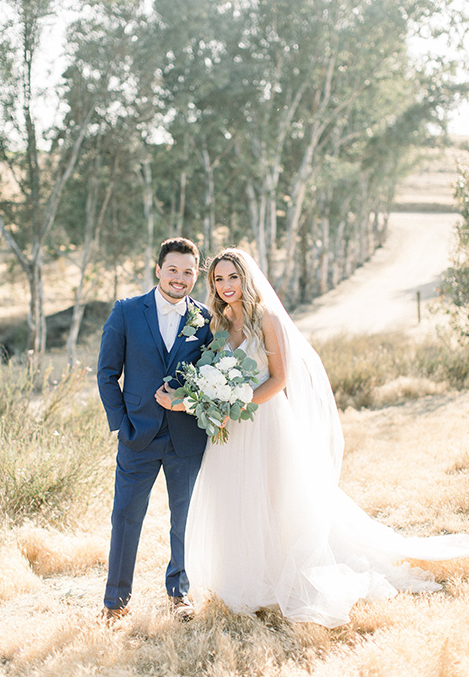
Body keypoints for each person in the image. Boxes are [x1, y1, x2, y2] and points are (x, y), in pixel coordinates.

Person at [161, 248, 469, 628]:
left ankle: (280, 574)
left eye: (233, 277)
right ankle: (243, 579)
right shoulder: (218, 324)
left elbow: (279, 379)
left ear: (247, 279)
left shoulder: (266, 319)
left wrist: (237, 402)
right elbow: (211, 372)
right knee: (236, 497)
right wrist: (206, 402)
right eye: (219, 279)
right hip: (230, 428)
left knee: (275, 497)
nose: (226, 286)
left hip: (264, 419)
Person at [97, 237, 212, 623]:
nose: (180, 278)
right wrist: (122, 424)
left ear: (195, 275)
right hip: (138, 436)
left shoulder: (206, 319)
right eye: (173, 269)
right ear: (159, 269)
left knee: (186, 519)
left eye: (188, 272)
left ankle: (179, 594)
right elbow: (107, 373)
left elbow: (211, 377)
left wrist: (186, 402)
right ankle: (115, 602)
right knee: (126, 517)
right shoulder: (127, 312)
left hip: (187, 438)